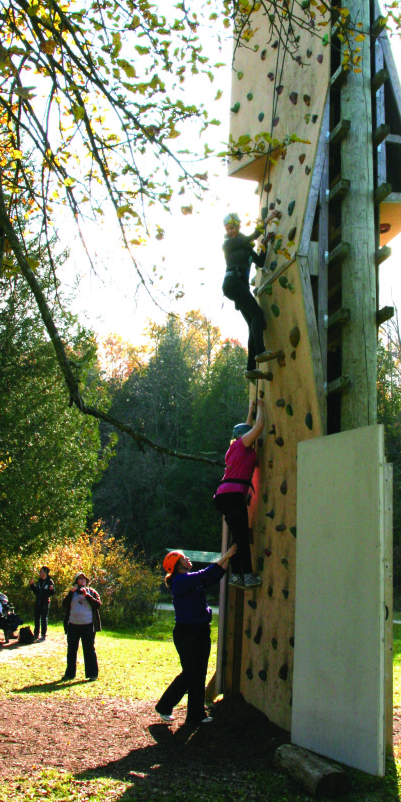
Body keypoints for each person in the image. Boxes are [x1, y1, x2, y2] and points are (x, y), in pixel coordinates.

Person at [155, 545, 236, 725]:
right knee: (191, 673)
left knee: (199, 673)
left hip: (200, 630)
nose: (188, 559)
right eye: (184, 558)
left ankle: (196, 714)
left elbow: (211, 577)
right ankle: (164, 706)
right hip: (187, 633)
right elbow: (204, 575)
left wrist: (228, 561)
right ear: (177, 565)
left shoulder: (189, 581)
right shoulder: (180, 581)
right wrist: (225, 556)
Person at [213, 397, 266, 588]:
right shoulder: (241, 446)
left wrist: (250, 409)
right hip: (233, 496)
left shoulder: (237, 448)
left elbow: (248, 426)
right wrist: (261, 407)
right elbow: (257, 427)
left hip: (224, 496)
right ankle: (248, 576)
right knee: (242, 536)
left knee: (238, 535)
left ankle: (236, 575)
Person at [221, 210, 280, 380]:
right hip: (233, 283)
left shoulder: (245, 248)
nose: (230, 231)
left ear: (238, 227)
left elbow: (260, 262)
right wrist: (268, 219)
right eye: (228, 229)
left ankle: (251, 369)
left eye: (232, 228)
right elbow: (252, 236)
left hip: (239, 288)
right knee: (258, 314)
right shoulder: (229, 244)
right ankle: (260, 352)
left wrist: (266, 243)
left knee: (255, 323)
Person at [61, 572, 101, 681]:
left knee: (89, 650)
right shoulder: (72, 593)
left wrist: (86, 596)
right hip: (73, 625)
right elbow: (64, 605)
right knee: (71, 650)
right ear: (76, 581)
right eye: (80, 579)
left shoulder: (91, 592)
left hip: (88, 625)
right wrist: (70, 593)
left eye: (84, 579)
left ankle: (92, 674)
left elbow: (98, 604)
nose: (82, 581)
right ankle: (69, 674)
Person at [29, 566, 55, 641]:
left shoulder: (49, 582)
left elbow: (52, 593)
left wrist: (52, 589)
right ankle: (36, 634)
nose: (40, 573)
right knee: (36, 618)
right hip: (38, 602)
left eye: (41, 571)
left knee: (44, 618)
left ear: (45, 572)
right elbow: (36, 592)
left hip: (45, 602)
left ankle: (43, 635)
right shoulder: (39, 581)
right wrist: (32, 586)